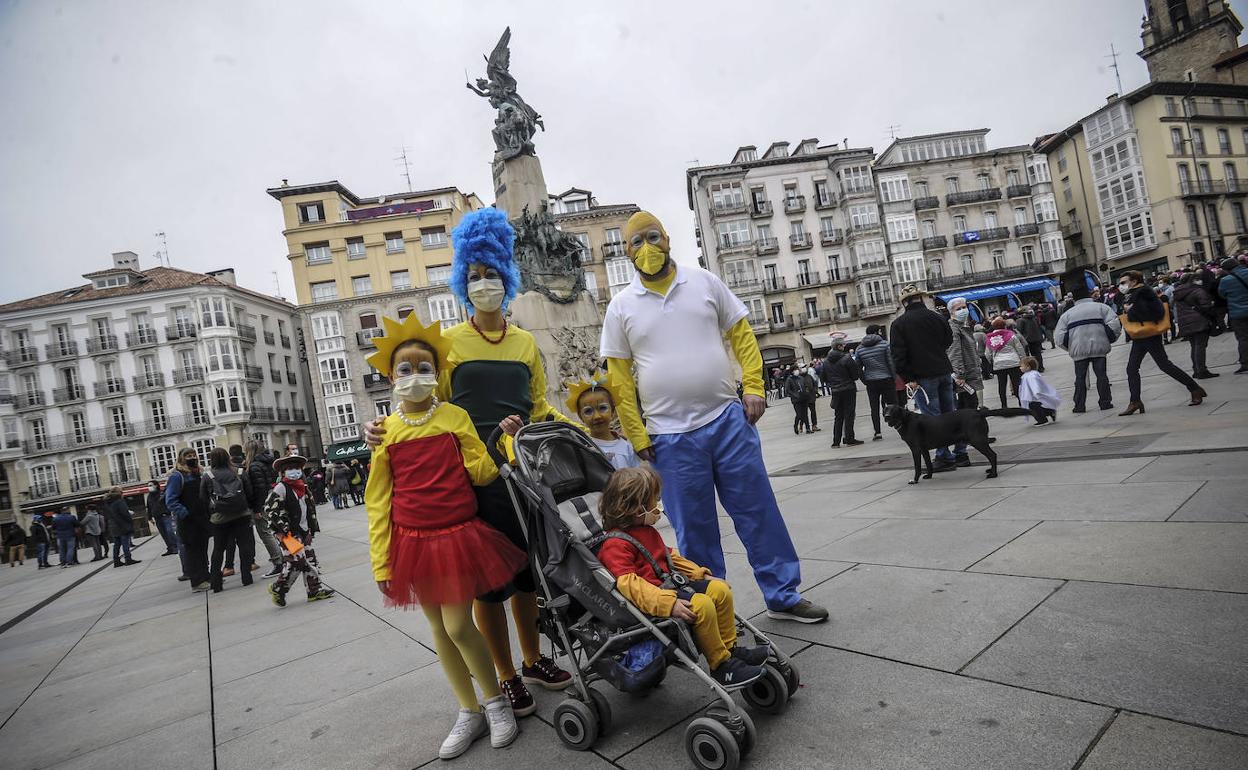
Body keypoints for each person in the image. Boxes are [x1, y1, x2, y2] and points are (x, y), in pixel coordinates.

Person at [367, 208, 574, 716]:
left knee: (528, 577)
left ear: (508, 277)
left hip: (522, 474)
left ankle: (532, 660)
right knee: (488, 586)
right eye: (475, 275)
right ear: (463, 282)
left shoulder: (525, 342)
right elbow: (424, 405)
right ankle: (504, 676)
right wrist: (382, 428)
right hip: (474, 480)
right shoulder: (451, 344)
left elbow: (538, 402)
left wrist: (571, 428)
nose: (485, 283)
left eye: (492, 273)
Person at [598, 210, 827, 624]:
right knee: (694, 530)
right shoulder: (621, 307)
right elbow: (618, 379)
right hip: (668, 436)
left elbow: (741, 334)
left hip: (726, 420)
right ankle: (714, 608)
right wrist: (637, 433)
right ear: (627, 252)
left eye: (653, 237)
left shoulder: (703, 281)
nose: (647, 247)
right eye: (637, 242)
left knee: (758, 510)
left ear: (667, 239)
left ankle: (783, 593)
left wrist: (754, 386)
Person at [364, 313, 522, 758]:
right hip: (411, 541)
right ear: (390, 376)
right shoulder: (385, 431)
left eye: (424, 367)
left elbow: (484, 472)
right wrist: (381, 559)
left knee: (458, 624)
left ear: (438, 372)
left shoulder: (455, 416)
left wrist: (503, 442)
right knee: (438, 628)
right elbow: (378, 500)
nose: (414, 376)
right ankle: (467, 709)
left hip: (457, 535)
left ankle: (495, 702)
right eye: (405, 369)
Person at [596, 466, 769, 687]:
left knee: (720, 591)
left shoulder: (646, 531)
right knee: (703, 605)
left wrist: (700, 575)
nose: (657, 507)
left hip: (671, 586)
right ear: (634, 507)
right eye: (652, 502)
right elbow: (629, 584)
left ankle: (730, 648)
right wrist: (667, 604)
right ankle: (720, 665)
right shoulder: (615, 544)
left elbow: (671, 558)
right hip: (654, 601)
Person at [890, 284, 963, 471]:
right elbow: (948, 340)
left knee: (932, 419)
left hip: (922, 377)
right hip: (943, 371)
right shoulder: (937, 317)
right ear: (921, 298)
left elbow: (898, 355)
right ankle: (960, 451)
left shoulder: (899, 324)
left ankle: (944, 456)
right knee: (950, 413)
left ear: (904, 302)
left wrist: (909, 378)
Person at [1117, 270, 1206, 415]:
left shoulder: (1145, 292)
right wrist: (1129, 308)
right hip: (1140, 336)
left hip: (1150, 335)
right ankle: (1135, 401)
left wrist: (1131, 311)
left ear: (1133, 281)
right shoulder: (1132, 293)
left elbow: (1156, 312)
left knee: (1165, 365)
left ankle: (1195, 388)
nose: (1121, 285)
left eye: (1123, 282)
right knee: (1131, 368)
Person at [265, 454, 335, 606]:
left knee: (310, 559)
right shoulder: (281, 488)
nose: (294, 471)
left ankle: (314, 590)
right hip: (288, 534)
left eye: (297, 468)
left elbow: (308, 509)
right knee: (297, 561)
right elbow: (270, 510)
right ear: (283, 472)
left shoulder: (302, 486)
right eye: (290, 469)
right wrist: (283, 529)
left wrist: (311, 527)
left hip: (304, 530)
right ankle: (278, 588)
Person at [1053, 269, 1121, 413]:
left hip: (1079, 350)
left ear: (1074, 298)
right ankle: (1105, 402)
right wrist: (1108, 340)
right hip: (1099, 347)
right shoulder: (1102, 308)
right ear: (1089, 294)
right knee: (1102, 376)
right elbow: (1115, 325)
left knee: (1080, 378)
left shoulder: (1067, 315)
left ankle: (1079, 406)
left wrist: (1070, 347)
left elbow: (1059, 337)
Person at [200, 447, 255, 592]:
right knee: (244, 545)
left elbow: (203, 499)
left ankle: (216, 583)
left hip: (220, 518)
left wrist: (210, 515)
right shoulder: (239, 472)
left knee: (218, 549)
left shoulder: (208, 476)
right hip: (241, 514)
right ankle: (246, 576)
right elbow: (249, 493)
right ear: (227, 457)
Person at [563, 371, 642, 470]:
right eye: (588, 411)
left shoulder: (626, 448)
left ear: (613, 411)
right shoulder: (582, 448)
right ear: (580, 416)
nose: (597, 416)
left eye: (602, 408)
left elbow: (638, 480)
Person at [165, 449, 212, 591]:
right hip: (188, 521)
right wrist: (185, 513)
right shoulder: (177, 476)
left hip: (201, 518)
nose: (192, 458)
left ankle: (206, 576)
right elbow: (170, 500)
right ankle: (197, 581)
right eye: (188, 456)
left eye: (193, 455)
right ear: (181, 459)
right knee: (193, 551)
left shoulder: (198, 473)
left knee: (203, 549)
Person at [244, 441, 285, 579]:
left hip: (263, 503)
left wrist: (257, 509)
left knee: (265, 533)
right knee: (278, 530)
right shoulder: (269, 462)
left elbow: (259, 488)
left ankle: (278, 562)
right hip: (274, 499)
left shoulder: (254, 466)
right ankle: (286, 557)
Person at [854, 325, 898, 441]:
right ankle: (899, 426)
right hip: (887, 379)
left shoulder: (859, 349)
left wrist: (865, 380)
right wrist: (894, 377)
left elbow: (858, 367)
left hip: (871, 381)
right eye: (879, 331)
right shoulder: (884, 344)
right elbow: (890, 362)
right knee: (893, 404)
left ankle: (877, 432)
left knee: (874, 408)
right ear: (876, 332)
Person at [1172, 272, 1218, 380]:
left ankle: (1196, 370)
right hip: (1199, 320)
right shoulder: (1197, 290)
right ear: (1192, 280)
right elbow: (1206, 306)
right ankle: (1202, 370)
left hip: (1185, 322)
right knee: (1200, 346)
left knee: (1194, 346)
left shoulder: (1177, 292)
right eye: (1197, 279)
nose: (1199, 281)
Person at [945, 297, 984, 409]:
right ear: (951, 312)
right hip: (965, 376)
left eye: (964, 307)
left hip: (970, 372)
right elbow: (954, 353)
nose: (963, 310)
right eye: (959, 309)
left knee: (967, 405)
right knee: (969, 406)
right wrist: (959, 374)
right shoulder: (954, 328)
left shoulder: (962, 326)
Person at [822, 341, 863, 448]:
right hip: (848, 388)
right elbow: (855, 375)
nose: (844, 347)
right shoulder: (846, 358)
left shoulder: (826, 361)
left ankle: (836, 441)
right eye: (842, 345)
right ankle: (849, 438)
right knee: (849, 414)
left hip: (835, 390)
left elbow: (823, 377)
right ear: (839, 347)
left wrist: (833, 383)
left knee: (838, 416)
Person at [984, 317, 1027, 409]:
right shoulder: (1011, 335)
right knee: (1016, 383)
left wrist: (992, 360)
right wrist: (1023, 360)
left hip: (999, 364)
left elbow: (987, 353)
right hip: (1014, 363)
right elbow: (1019, 348)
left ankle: (1004, 405)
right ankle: (1021, 402)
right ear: (1004, 326)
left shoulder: (989, 338)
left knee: (1002, 385)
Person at [1218, 257, 1248, 374]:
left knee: (1243, 338)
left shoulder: (1225, 280)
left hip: (1238, 313)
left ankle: (1245, 363)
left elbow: (1222, 294)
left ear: (1227, 269)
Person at [101, 488, 139, 568]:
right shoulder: (119, 501)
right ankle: (128, 559)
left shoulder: (107, 502)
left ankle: (116, 561)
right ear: (119, 493)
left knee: (117, 544)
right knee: (125, 542)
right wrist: (130, 522)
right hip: (122, 524)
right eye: (122, 492)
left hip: (113, 525)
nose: (123, 494)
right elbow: (124, 513)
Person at [1018, 356, 1060, 426]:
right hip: (1032, 396)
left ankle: (1042, 420)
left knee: (1033, 407)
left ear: (1028, 367)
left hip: (1035, 396)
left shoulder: (1032, 375)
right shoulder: (1027, 375)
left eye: (1022, 366)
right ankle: (1050, 411)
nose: (1020, 368)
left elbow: (1035, 385)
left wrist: (1036, 393)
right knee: (1036, 407)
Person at [146, 480, 179, 556]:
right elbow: (149, 507)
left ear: (156, 485)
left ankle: (176, 546)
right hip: (157, 517)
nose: (149, 487)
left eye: (151, 485)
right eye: (148, 485)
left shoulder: (162, 494)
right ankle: (170, 548)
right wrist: (150, 517)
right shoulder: (149, 496)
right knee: (164, 534)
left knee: (169, 531)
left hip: (165, 515)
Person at [1015, 307, 1046, 372]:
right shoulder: (1034, 318)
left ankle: (1029, 368)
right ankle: (1040, 367)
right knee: (1037, 354)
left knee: (1026, 355)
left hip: (1026, 340)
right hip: (1036, 338)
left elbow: (1019, 331)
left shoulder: (1021, 320)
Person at [784, 365, 811, 435]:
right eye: (796, 370)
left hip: (804, 397)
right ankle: (796, 425)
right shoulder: (789, 379)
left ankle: (808, 428)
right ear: (792, 371)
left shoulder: (801, 378)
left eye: (798, 369)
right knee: (799, 414)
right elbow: (788, 390)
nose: (797, 371)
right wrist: (795, 395)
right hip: (796, 400)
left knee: (805, 414)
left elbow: (805, 386)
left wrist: (806, 391)